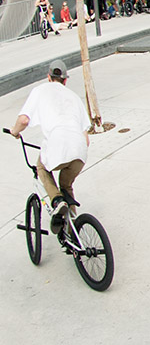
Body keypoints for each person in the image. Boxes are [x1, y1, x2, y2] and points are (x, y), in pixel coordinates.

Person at [9, 60, 90, 233]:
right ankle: (72, 233)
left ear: (48, 77)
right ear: (65, 80)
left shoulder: (39, 90)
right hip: (79, 150)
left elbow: (23, 120)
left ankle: (56, 201)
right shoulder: (74, 97)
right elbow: (86, 139)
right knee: (66, 185)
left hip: (57, 144)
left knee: (42, 168)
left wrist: (15, 132)